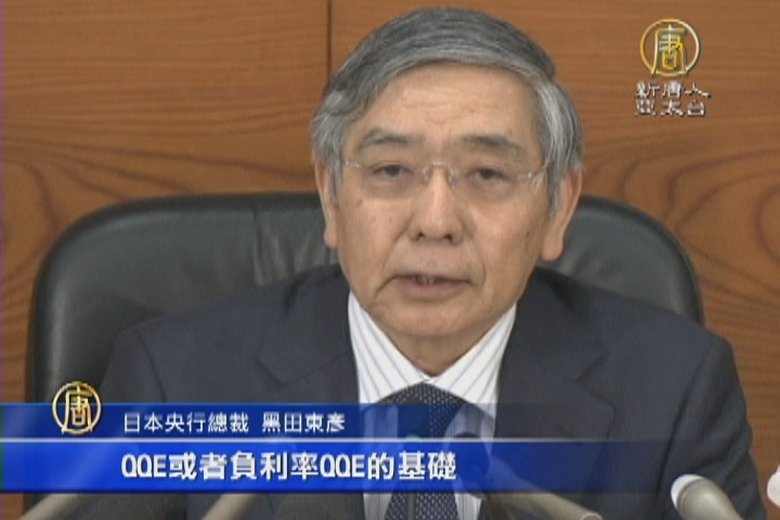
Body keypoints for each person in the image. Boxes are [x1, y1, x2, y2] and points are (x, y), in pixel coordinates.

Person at [91, 7, 764, 519]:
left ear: (559, 208)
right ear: (331, 195)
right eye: (391, 170)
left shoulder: (674, 390)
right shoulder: (174, 381)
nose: (435, 222)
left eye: (487, 174)